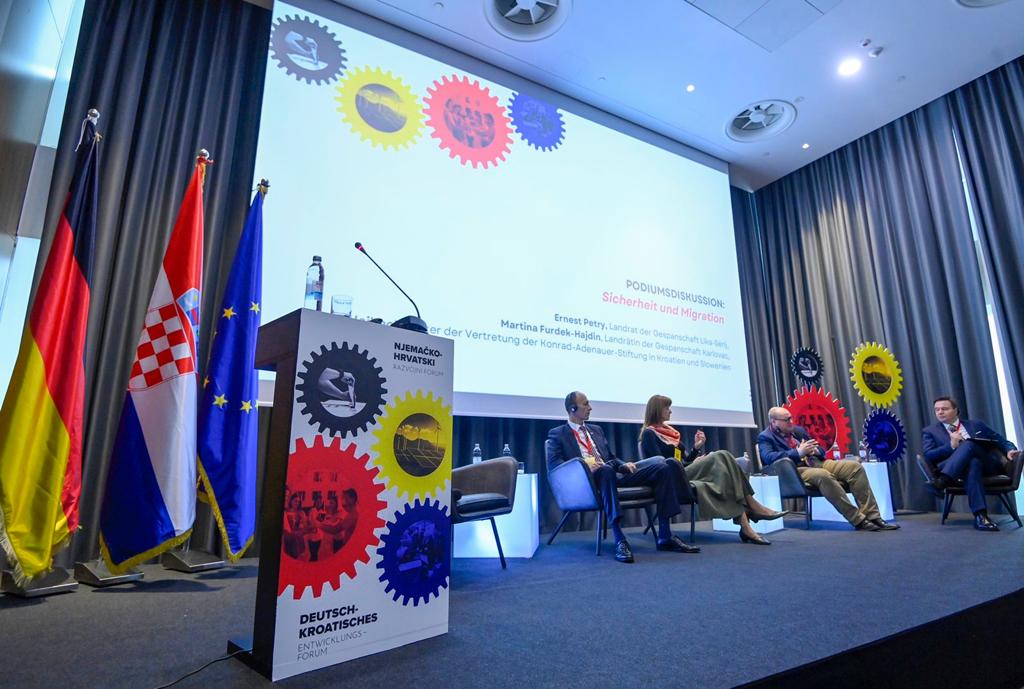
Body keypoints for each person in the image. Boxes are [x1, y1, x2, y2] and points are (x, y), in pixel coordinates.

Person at [547, 391, 699, 563]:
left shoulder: (596, 430)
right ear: (572, 408)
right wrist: (585, 465)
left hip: (612, 474)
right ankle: (620, 539)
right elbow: (555, 465)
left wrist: (623, 465)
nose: (590, 407)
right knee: (605, 471)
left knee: (662, 468)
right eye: (586, 404)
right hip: (586, 482)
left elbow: (610, 457)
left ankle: (665, 536)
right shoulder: (557, 433)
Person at [639, 394, 787, 545]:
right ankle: (753, 505)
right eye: (666, 408)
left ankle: (746, 528)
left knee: (726, 474)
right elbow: (660, 465)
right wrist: (693, 463)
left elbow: (683, 460)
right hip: (673, 478)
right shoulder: (649, 434)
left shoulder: (670, 432)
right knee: (722, 455)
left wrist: (696, 449)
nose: (670, 411)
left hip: (685, 471)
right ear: (657, 410)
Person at [757, 406, 899, 531]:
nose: (791, 421)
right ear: (774, 422)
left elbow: (820, 448)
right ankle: (858, 520)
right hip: (796, 470)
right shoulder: (765, 437)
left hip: (817, 462)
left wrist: (816, 451)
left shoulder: (798, 431)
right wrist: (798, 453)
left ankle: (873, 517)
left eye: (791, 418)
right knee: (823, 475)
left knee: (854, 467)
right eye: (786, 419)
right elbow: (768, 457)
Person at [922, 396, 1020, 531]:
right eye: (937, 410)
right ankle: (981, 516)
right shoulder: (930, 431)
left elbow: (1001, 440)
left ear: (956, 410)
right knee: (973, 463)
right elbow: (929, 455)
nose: (940, 412)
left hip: (988, 466)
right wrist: (951, 446)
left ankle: (943, 481)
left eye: (944, 409)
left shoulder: (976, 425)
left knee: (969, 444)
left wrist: (1010, 449)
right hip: (960, 471)